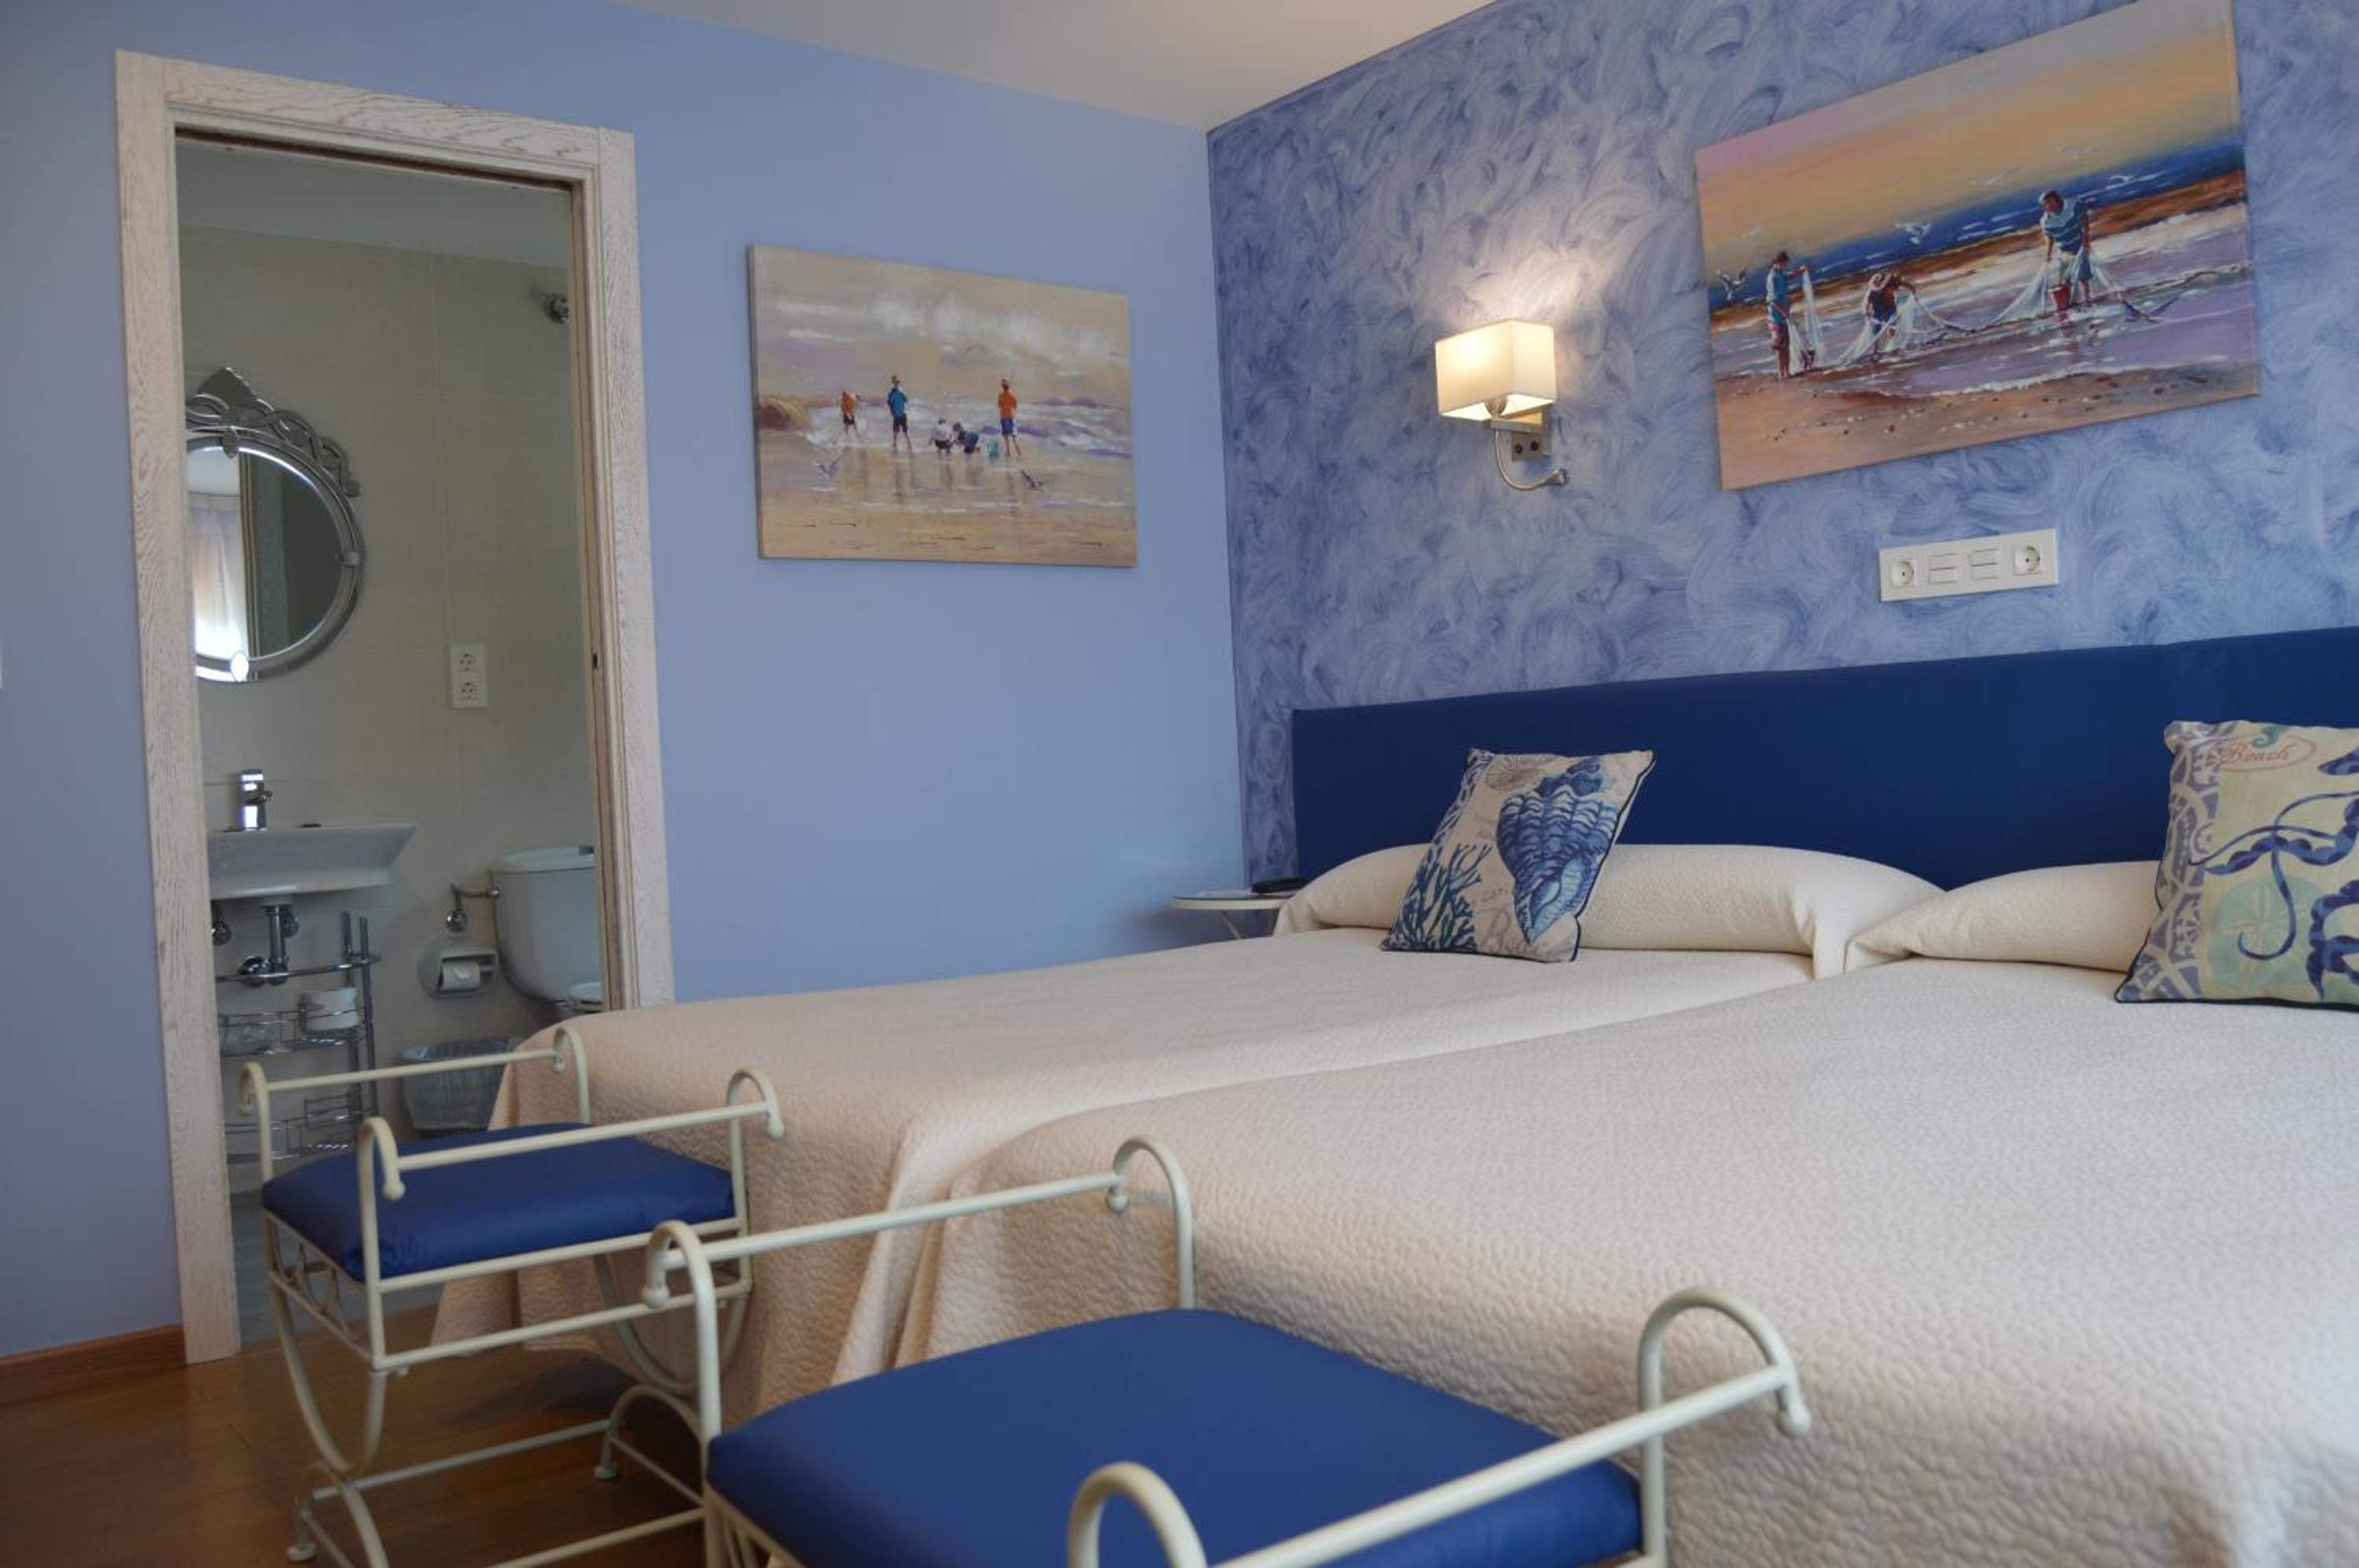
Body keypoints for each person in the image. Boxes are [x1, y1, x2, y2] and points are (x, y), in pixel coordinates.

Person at [2037, 190, 2098, 317]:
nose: (2047, 207)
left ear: (2056, 200)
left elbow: (2084, 218)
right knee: (2065, 279)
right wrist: (2048, 253)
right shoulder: (2046, 220)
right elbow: (2049, 238)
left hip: (2079, 245)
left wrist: (2086, 238)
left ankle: (2087, 299)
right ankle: (2069, 303)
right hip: (2064, 250)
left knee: (2083, 276)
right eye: (2044, 205)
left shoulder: (2073, 205)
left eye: (2049, 203)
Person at [1764, 252, 1812, 379]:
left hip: (1783, 317)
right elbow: (1772, 301)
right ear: (1776, 263)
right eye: (1783, 263)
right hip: (1776, 317)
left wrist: (1799, 272)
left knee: (1786, 345)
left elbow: (1787, 277)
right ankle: (1781, 374)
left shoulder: (1779, 274)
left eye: (1785, 264)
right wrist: (1783, 312)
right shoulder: (1772, 277)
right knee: (1780, 347)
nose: (1784, 266)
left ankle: (1787, 372)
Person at [1859, 271, 1918, 359]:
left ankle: (1891, 345)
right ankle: (1875, 351)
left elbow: (1907, 286)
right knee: (1876, 331)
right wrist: (1866, 313)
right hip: (1877, 311)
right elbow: (1866, 303)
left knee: (1892, 327)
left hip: (1890, 308)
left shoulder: (1891, 283)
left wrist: (1913, 292)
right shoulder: (1872, 292)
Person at [996, 378, 1024, 457]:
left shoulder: (1000, 396)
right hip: (1011, 417)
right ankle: (1019, 452)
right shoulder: (1012, 397)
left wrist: (1003, 403)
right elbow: (1015, 406)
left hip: (1004, 417)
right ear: (1008, 387)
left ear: (1002, 387)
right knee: (1014, 436)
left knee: (1006, 436)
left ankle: (1008, 452)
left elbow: (999, 405)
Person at [886, 375, 912, 452]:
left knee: (903, 431)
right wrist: (893, 410)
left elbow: (906, 400)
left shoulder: (898, 391)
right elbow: (890, 403)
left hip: (901, 414)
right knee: (897, 431)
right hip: (898, 414)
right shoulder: (893, 392)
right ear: (894, 382)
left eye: (899, 381)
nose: (898, 382)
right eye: (897, 381)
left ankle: (908, 445)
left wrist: (893, 409)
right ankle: (896, 445)